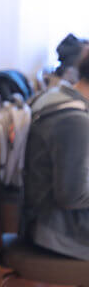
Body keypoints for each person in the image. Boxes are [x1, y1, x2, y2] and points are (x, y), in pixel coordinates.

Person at [23, 45, 89, 260]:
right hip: (58, 232)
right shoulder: (75, 120)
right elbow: (72, 196)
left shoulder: (57, 95)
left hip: (46, 221)